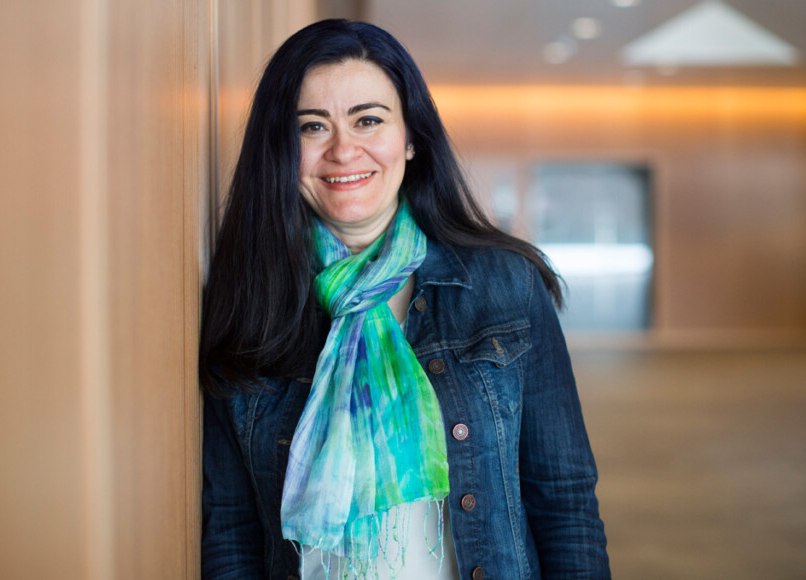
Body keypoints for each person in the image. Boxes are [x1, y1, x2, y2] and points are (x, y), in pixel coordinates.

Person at [200, 19, 610, 580]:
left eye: (368, 119)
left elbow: (564, 503)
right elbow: (231, 526)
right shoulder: (246, 303)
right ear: (280, 149)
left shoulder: (504, 286)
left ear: (411, 137)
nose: (345, 149)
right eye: (312, 127)